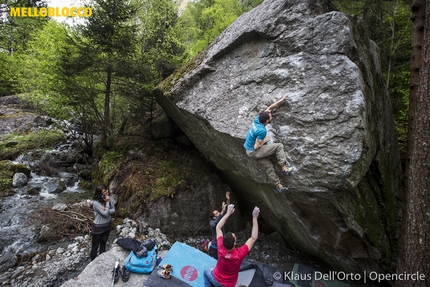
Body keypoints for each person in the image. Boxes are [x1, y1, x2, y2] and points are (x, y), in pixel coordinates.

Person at [243, 95, 293, 192]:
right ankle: (284, 167)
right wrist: (265, 140)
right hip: (254, 151)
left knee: (268, 166)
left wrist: (282, 100)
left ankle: (278, 186)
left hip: (248, 151)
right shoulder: (262, 131)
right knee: (279, 146)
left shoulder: (257, 119)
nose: (271, 116)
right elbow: (257, 146)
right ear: (267, 121)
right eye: (270, 117)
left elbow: (270, 108)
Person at [204, 204, 260, 287]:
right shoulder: (239, 254)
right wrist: (255, 218)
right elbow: (253, 238)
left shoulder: (220, 247)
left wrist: (227, 213)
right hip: (228, 285)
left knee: (206, 272)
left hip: (215, 279)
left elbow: (218, 228)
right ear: (234, 243)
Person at [90, 185, 115, 261]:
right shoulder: (96, 203)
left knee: (103, 243)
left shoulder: (110, 199)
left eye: (106, 190)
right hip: (98, 227)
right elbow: (105, 214)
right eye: (104, 191)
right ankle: (92, 262)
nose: (107, 192)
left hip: (107, 225)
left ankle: (101, 260)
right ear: (100, 194)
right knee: (95, 246)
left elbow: (113, 210)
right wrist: (107, 204)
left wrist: (106, 210)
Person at [209, 191, 231, 259]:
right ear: (214, 217)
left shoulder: (221, 218)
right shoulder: (211, 222)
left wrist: (228, 199)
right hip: (214, 247)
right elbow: (215, 224)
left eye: (218, 212)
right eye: (216, 213)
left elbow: (227, 210)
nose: (218, 213)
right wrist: (222, 211)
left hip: (222, 246)